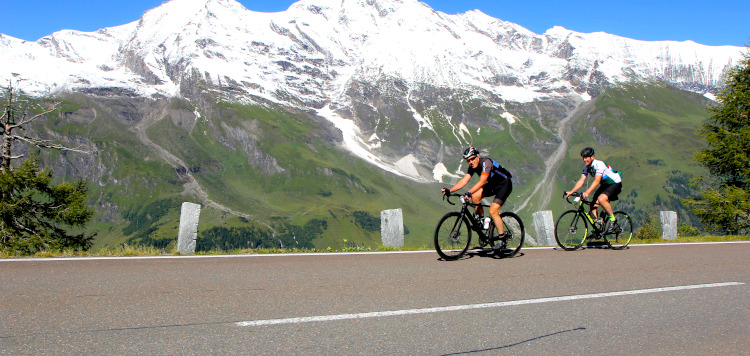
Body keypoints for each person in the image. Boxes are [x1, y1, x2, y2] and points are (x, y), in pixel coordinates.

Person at [441, 147, 513, 249]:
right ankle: (481, 220)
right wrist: (450, 190)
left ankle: (502, 240)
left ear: (478, 156)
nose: (471, 162)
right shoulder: (472, 167)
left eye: (472, 158)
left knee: (493, 211)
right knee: (475, 197)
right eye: (468, 160)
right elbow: (464, 181)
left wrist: (469, 192)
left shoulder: (486, 163)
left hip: (504, 184)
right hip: (493, 185)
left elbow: (482, 181)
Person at [565, 147, 622, 232]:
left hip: (615, 183)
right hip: (605, 185)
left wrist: (587, 192)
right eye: (583, 158)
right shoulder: (586, 167)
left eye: (586, 157)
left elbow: (597, 180)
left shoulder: (599, 164)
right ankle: (596, 229)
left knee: (601, 199)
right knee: (592, 205)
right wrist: (572, 191)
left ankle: (613, 219)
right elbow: (581, 181)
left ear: (592, 157)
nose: (584, 160)